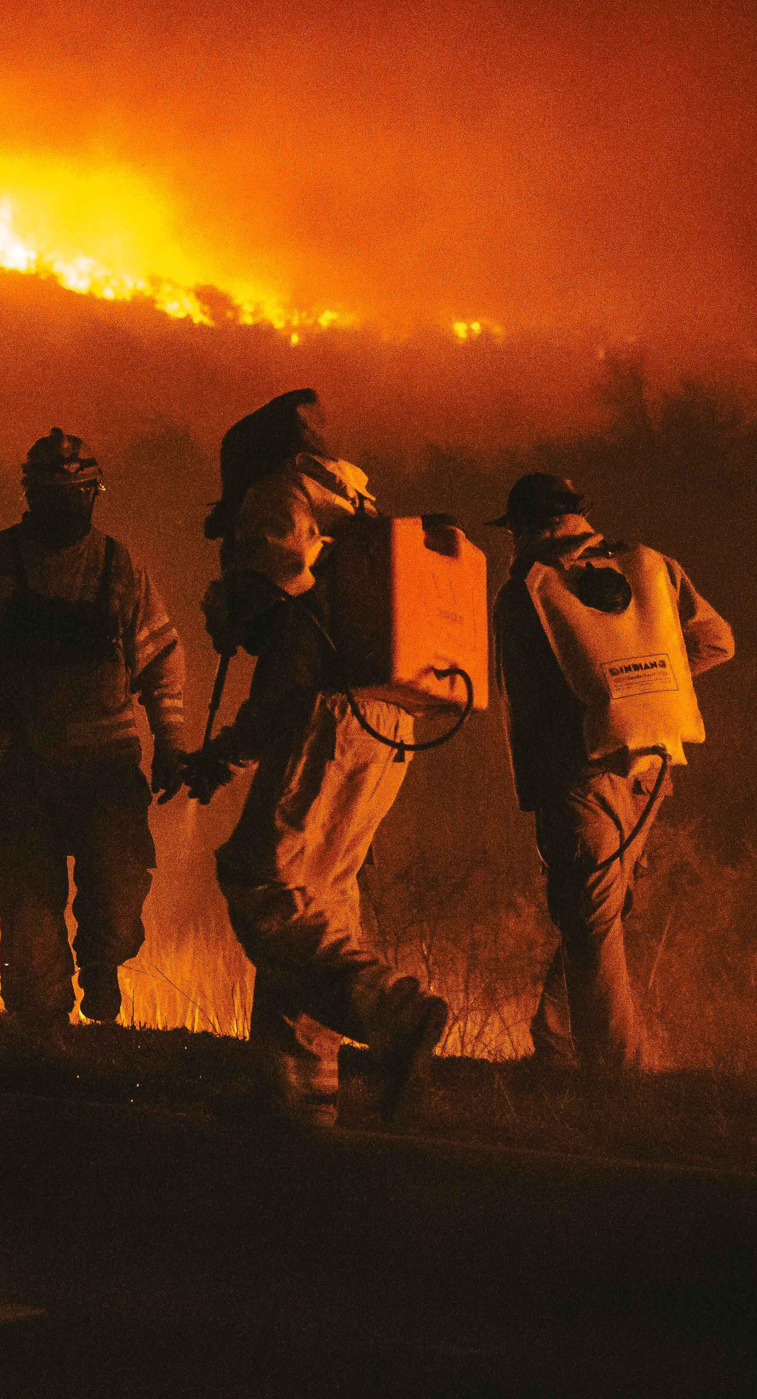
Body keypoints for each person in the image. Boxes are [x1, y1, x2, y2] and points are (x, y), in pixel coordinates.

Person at [179, 389, 449, 1126]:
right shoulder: (356, 512)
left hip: (331, 716)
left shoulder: (282, 497)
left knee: (264, 884)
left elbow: (280, 625)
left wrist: (230, 606)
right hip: (387, 721)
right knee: (318, 895)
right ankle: (298, 1089)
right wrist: (227, 757)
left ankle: (395, 1012)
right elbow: (292, 669)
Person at [0, 429, 188, 1039]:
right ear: (31, 496)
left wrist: (171, 742)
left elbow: (161, 660)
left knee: (117, 898)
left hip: (107, 768)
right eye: (53, 493)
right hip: (21, 765)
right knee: (30, 919)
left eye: (78, 492)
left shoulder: (120, 569)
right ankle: (40, 1045)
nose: (66, 504)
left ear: (95, 494)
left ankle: (101, 964)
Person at [489, 472, 734, 1079]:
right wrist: (645, 693)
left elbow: (524, 700)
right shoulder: (651, 565)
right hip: (653, 765)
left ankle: (615, 1075)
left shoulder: (527, 590)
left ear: (521, 528)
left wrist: (589, 719)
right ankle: (557, 1037)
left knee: (590, 919)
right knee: (599, 910)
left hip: (579, 775)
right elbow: (717, 642)